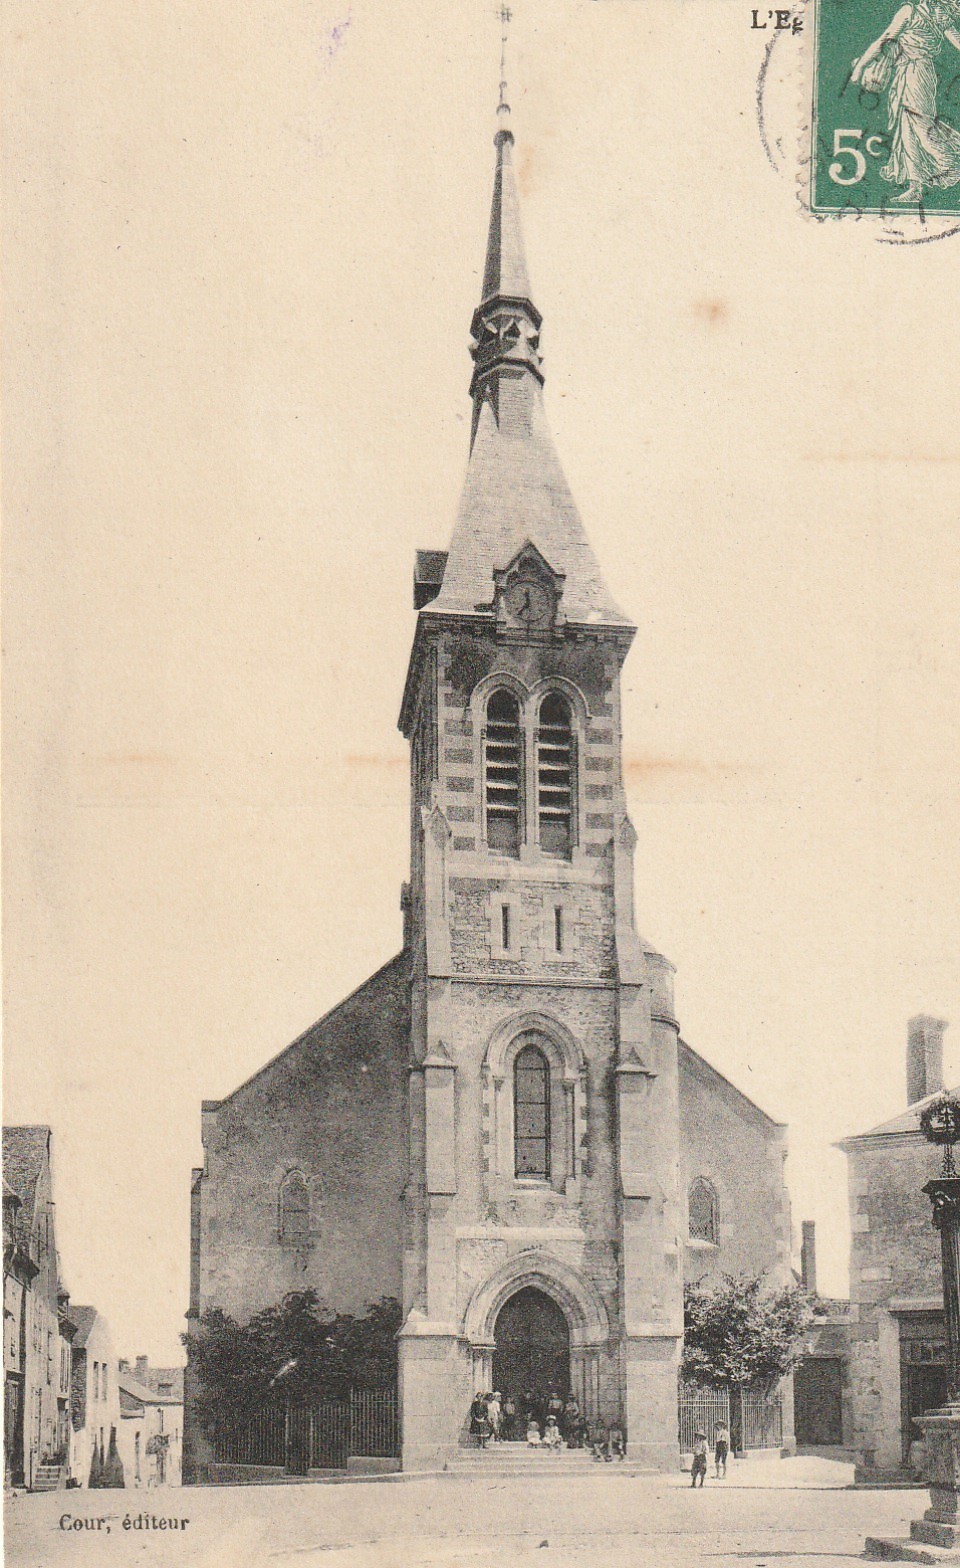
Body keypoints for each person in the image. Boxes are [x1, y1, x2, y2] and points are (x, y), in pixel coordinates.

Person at [851, 0, 960, 202]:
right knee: (907, 128)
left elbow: (884, 40)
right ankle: (915, 187)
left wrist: (859, 68)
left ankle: (952, 164)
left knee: (920, 125)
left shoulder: (910, 10)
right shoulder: (938, 14)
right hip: (910, 72)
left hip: (916, 73)